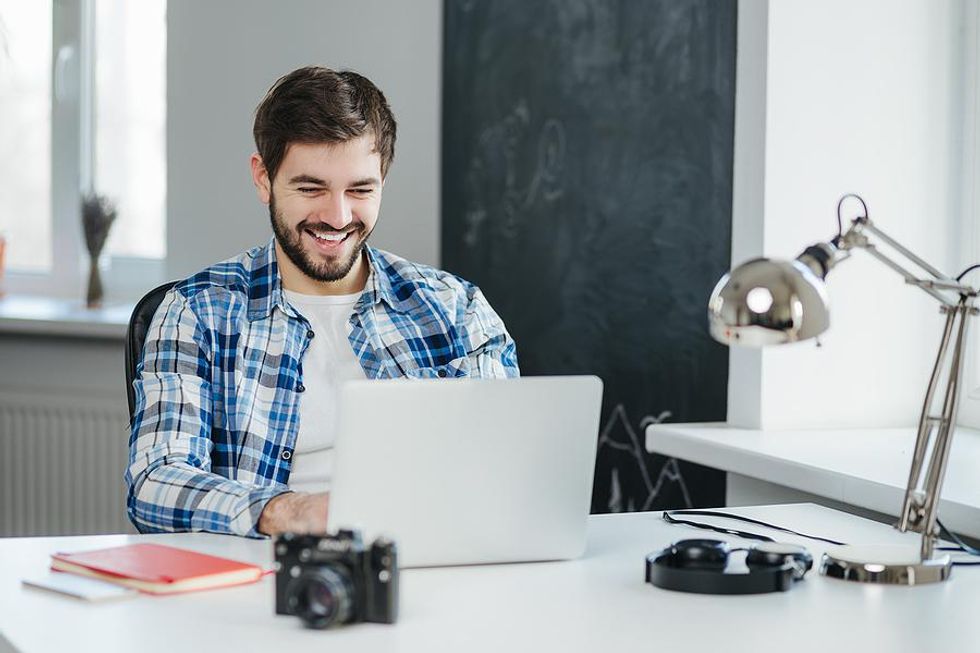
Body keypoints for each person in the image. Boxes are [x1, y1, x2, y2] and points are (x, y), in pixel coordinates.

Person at [125, 66, 519, 538]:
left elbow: (505, 467)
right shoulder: (195, 312)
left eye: (360, 189)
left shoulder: (457, 310)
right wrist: (290, 513)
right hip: (266, 579)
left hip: (431, 567)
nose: (337, 216)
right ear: (263, 179)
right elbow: (155, 482)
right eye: (311, 188)